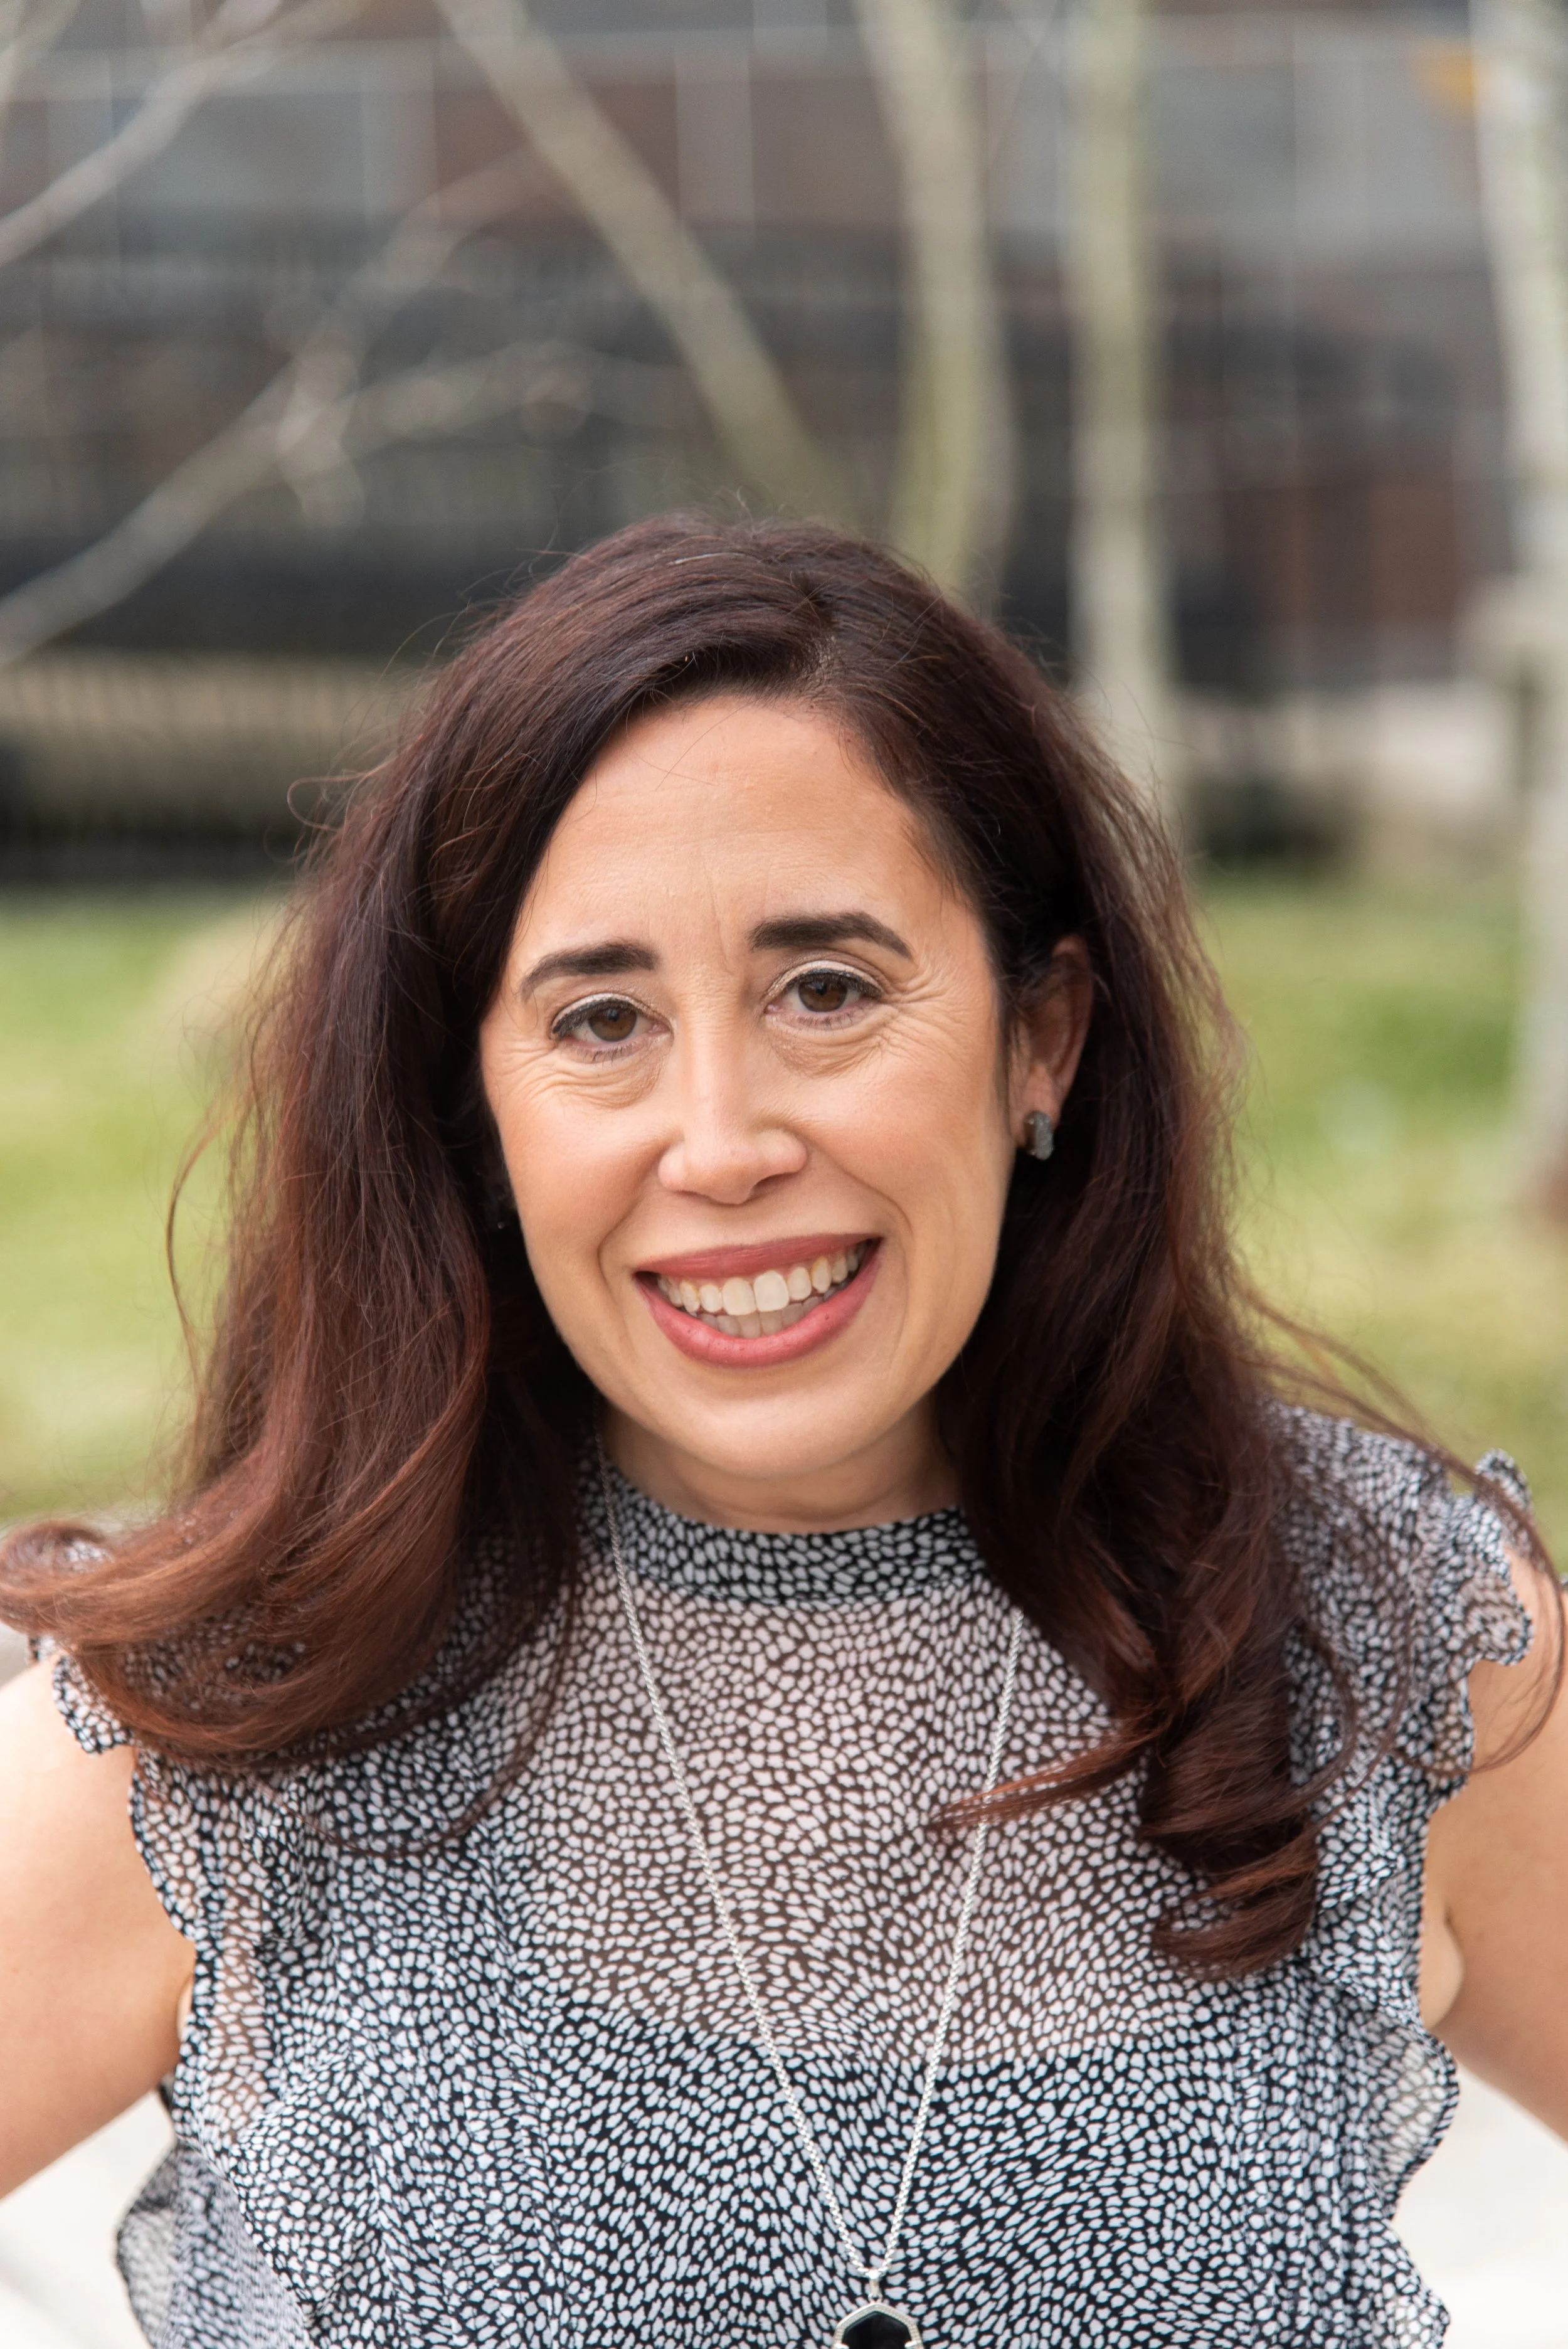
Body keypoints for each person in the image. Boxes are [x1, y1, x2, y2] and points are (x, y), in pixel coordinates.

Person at [1, 516, 1564, 2349]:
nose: (722, 1138)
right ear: (475, 1110)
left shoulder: (1383, 1638)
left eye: (826, 991)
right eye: (600, 1020)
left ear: (1039, 1036)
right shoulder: (238, 1711)